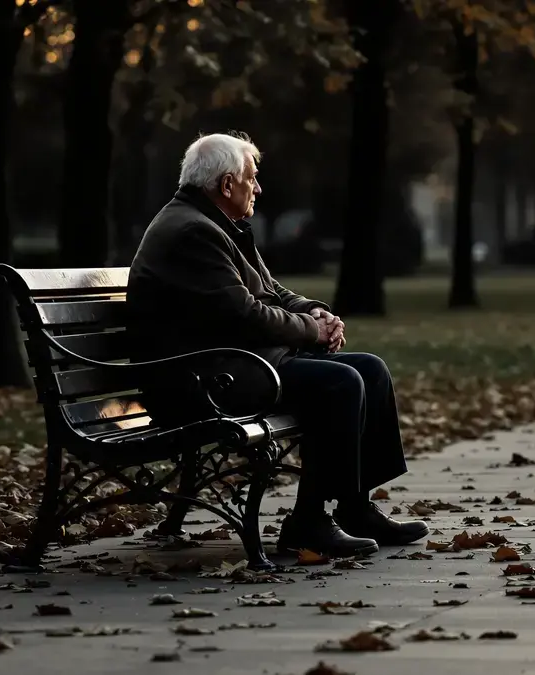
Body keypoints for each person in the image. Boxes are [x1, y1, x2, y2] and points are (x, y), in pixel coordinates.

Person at [126, 132, 429, 558]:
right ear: (227, 185)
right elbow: (244, 314)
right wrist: (311, 331)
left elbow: (272, 291)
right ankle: (307, 522)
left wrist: (314, 312)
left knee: (369, 370)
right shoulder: (192, 232)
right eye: (252, 178)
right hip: (201, 379)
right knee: (340, 382)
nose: (259, 187)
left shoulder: (214, 224)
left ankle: (354, 508)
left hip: (231, 363)